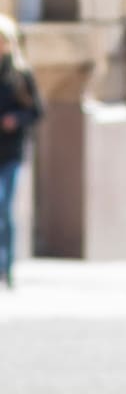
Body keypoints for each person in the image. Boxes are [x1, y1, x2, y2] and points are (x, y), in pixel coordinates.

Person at [0, 18, 42, 289]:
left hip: (12, 152)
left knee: (4, 207)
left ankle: (8, 265)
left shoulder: (20, 74)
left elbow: (37, 111)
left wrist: (15, 119)